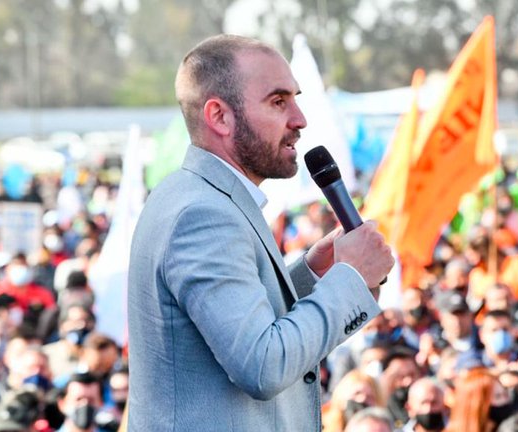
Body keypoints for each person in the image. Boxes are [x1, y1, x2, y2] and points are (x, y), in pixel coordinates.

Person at [127, 34, 394, 431]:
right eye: (278, 101)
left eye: (295, 99)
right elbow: (263, 364)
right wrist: (350, 279)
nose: (300, 119)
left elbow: (235, 326)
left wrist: (311, 277)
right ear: (219, 116)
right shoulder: (202, 214)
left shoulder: (200, 195)